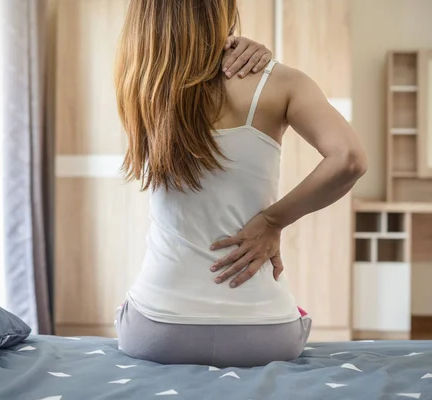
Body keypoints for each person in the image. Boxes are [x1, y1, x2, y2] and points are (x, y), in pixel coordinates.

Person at [114, 0, 367, 368]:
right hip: (265, 335)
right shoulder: (280, 82)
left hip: (157, 331)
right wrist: (271, 222)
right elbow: (350, 158)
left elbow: (186, 68)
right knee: (291, 309)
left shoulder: (139, 85)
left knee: (129, 307)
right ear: (221, 11)